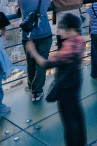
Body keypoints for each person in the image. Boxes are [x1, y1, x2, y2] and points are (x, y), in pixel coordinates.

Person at [25, 13, 87, 146]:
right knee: (76, 112)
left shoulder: (67, 48)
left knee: (68, 120)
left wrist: (33, 51)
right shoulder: (79, 40)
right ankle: (82, 141)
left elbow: (45, 63)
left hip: (66, 85)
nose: (60, 31)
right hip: (76, 80)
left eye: (62, 27)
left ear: (70, 29)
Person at [17, 0, 52, 102]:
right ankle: (37, 91)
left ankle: (32, 87)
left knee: (30, 63)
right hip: (45, 35)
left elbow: (19, 10)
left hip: (28, 37)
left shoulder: (21, 0)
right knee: (41, 63)